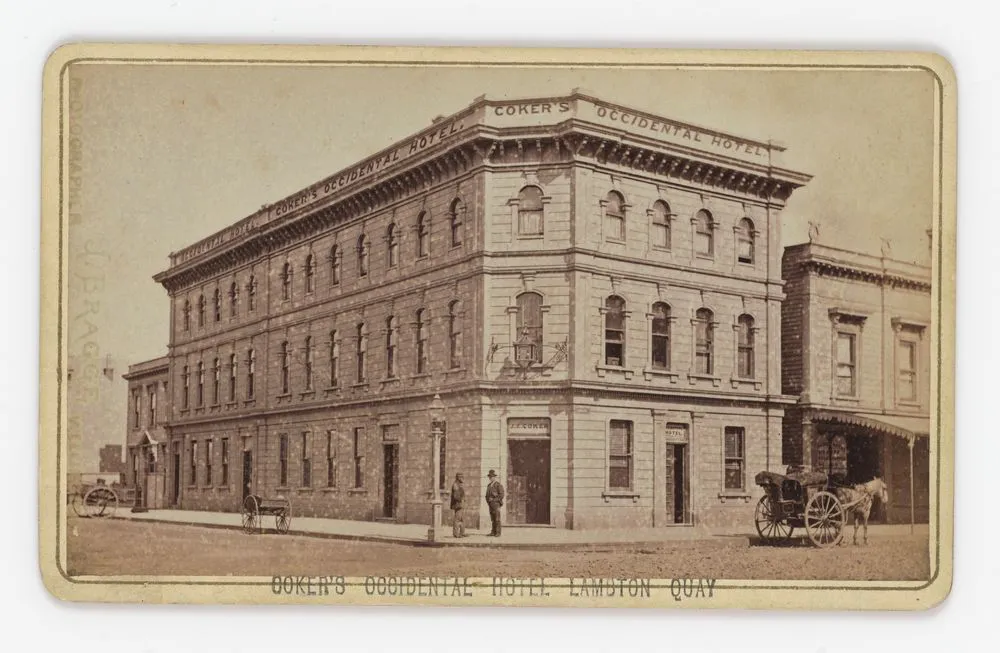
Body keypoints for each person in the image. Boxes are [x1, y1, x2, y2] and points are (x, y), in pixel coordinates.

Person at [485, 469, 505, 536]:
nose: (491, 478)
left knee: (497, 519)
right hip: (491, 505)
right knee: (492, 519)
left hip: (496, 504)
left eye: (492, 477)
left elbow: (501, 495)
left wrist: (494, 500)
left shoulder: (498, 485)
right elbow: (486, 496)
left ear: (494, 477)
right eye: (490, 477)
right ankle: (493, 532)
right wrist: (489, 501)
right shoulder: (489, 485)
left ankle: (498, 532)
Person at [450, 473, 466, 538]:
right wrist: (461, 499)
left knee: (462, 519)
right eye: (461, 477)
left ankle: (462, 533)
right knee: (457, 519)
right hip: (458, 504)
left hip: (461, 504)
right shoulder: (455, 485)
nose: (462, 479)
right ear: (458, 478)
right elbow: (456, 496)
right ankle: (456, 534)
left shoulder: (459, 485)